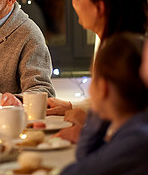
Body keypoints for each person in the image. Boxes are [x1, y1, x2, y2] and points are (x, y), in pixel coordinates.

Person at [48, 0, 148, 142]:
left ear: (99, 7)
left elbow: (136, 137)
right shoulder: (116, 43)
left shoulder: (128, 56)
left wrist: (89, 133)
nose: (73, 2)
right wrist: (73, 107)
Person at [61, 33, 148, 174]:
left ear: (102, 88)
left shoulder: (134, 142)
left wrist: (96, 111)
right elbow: (88, 157)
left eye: (93, 79)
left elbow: (75, 172)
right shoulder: (129, 131)